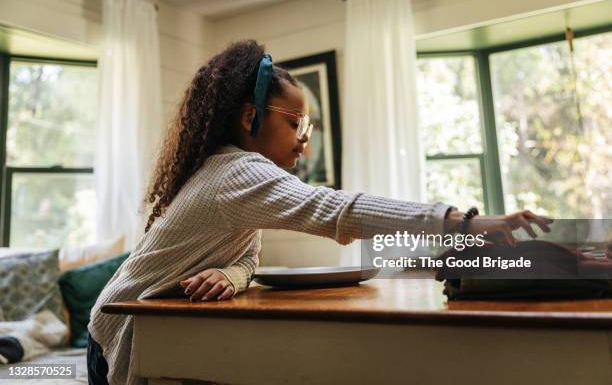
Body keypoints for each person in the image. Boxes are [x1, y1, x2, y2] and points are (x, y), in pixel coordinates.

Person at [87, 40, 550, 385]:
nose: (304, 139)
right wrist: (465, 221)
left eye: (306, 125)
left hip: (147, 326)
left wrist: (231, 275)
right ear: (250, 116)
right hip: (113, 332)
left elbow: (250, 259)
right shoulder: (236, 173)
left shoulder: (240, 178)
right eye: (295, 124)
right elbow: (336, 209)